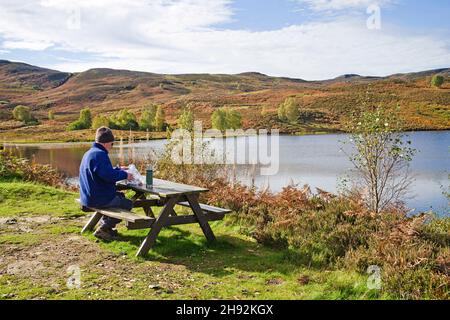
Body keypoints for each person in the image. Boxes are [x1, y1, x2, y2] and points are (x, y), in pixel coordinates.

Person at [79, 127, 134, 241]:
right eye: (112, 144)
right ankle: (103, 229)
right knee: (127, 204)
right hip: (98, 199)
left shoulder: (90, 153)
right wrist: (125, 175)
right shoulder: (100, 154)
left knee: (120, 197)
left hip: (88, 197)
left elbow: (102, 171)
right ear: (106, 143)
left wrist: (118, 169)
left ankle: (107, 229)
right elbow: (109, 176)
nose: (112, 146)